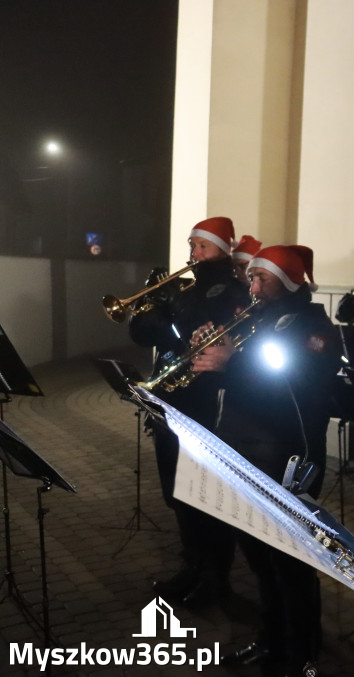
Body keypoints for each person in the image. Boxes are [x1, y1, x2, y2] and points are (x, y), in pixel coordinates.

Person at [192, 243, 341, 677]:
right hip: (245, 453)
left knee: (292, 564)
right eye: (251, 277)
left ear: (289, 282)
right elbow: (239, 381)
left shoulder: (313, 327)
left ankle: (301, 657)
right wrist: (206, 351)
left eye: (262, 278)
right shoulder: (254, 320)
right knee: (259, 559)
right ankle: (271, 639)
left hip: (287, 457)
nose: (252, 286)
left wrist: (231, 363)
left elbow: (296, 384)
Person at [128, 216, 249, 608]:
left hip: (203, 406)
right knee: (178, 493)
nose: (193, 253)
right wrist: (155, 310)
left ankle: (214, 577)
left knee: (203, 495)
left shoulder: (231, 291)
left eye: (202, 246)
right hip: (171, 402)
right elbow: (144, 332)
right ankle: (192, 565)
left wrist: (168, 313)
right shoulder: (188, 290)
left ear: (222, 249)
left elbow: (196, 329)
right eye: (192, 245)